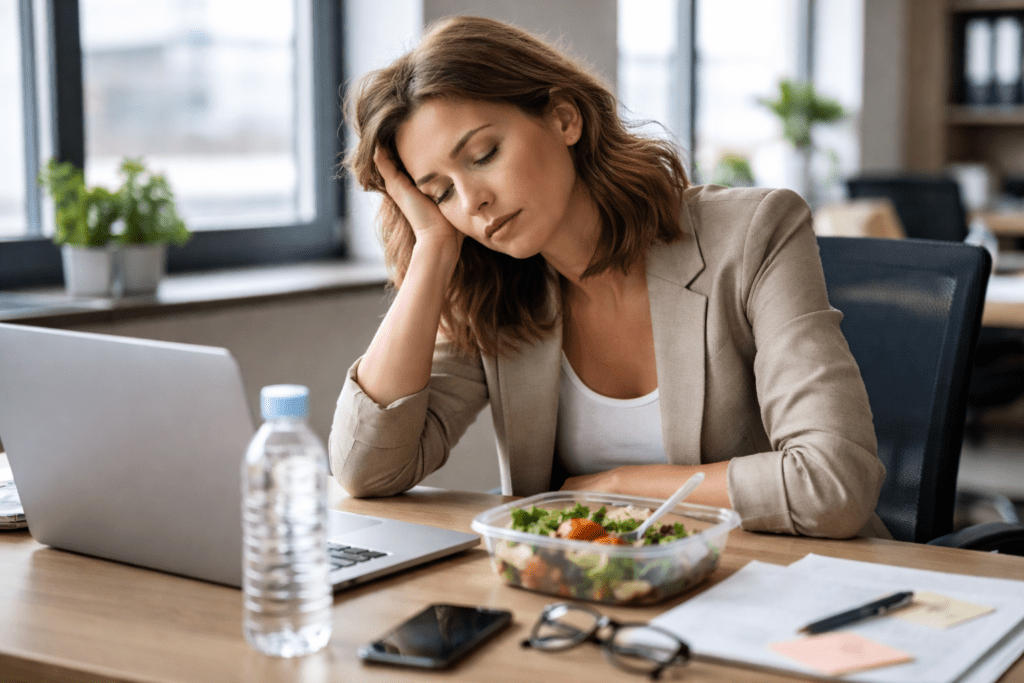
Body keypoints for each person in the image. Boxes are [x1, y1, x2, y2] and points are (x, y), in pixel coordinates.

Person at [330, 15, 888, 539]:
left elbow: (833, 483)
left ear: (564, 118)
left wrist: (618, 488)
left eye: (484, 153)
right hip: (592, 593)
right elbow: (366, 471)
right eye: (440, 192)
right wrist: (431, 252)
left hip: (779, 584)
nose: (472, 201)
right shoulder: (493, 292)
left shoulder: (751, 233)